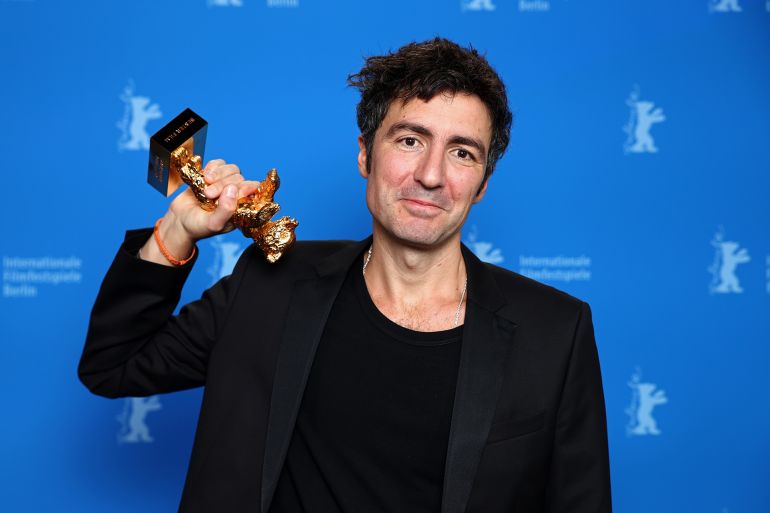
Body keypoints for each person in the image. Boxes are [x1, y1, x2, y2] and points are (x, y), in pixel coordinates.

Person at [79, 37, 612, 513]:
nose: (430, 174)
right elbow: (113, 365)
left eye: (462, 152)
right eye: (409, 140)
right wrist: (178, 230)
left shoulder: (554, 333)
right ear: (364, 154)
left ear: (483, 183)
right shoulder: (271, 283)